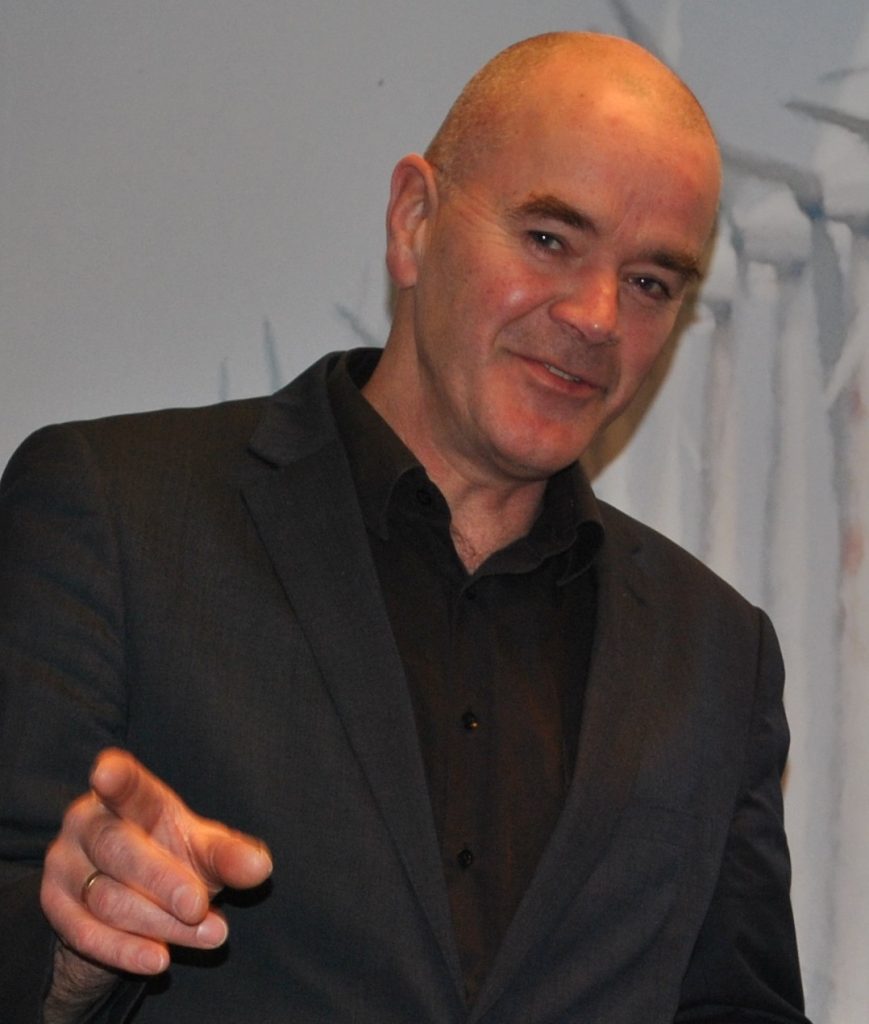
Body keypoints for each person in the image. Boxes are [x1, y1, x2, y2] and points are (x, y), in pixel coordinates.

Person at [0, 31, 809, 1024]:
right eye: (549, 238)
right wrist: (72, 956)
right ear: (414, 221)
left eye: (649, 282)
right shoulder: (117, 514)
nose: (597, 315)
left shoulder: (718, 654)